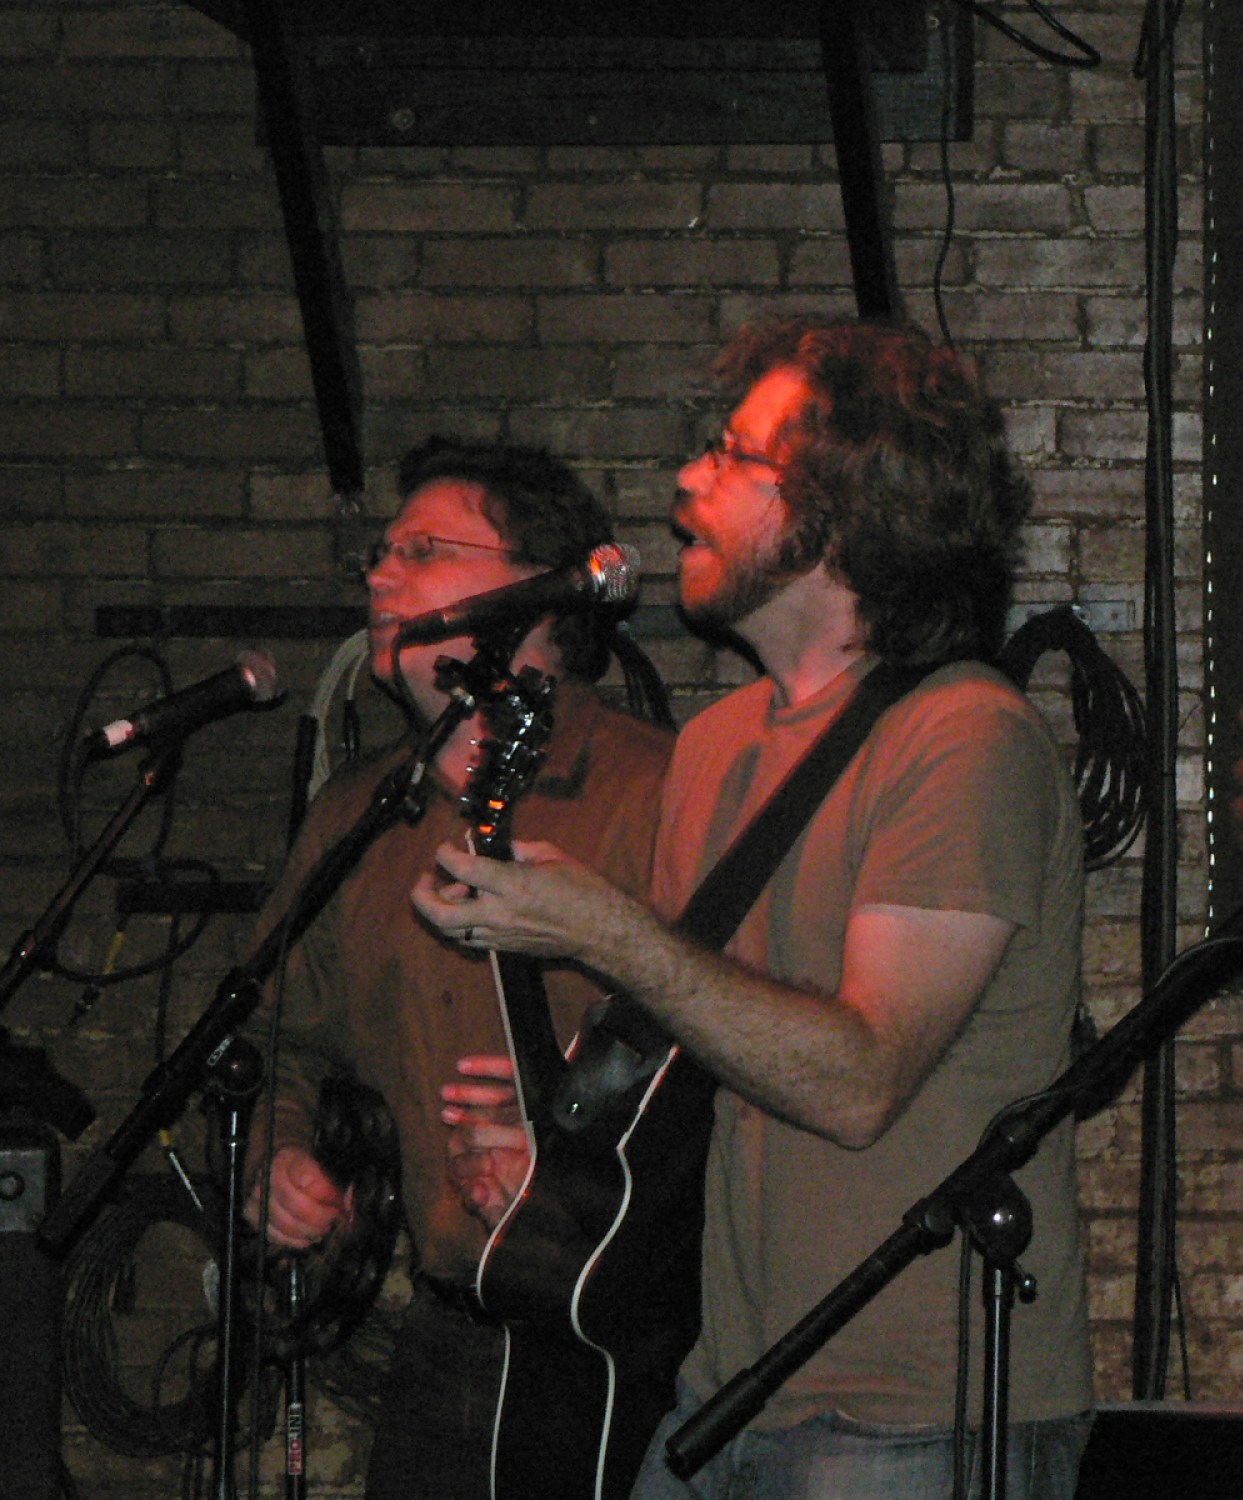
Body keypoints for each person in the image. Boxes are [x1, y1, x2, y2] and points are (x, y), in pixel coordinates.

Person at [412, 318, 1096, 1499]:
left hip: (910, 1414)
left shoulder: (964, 738)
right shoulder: (717, 744)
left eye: (732, 454)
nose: (687, 479)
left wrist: (603, 928)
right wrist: (563, 1156)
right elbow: (714, 1050)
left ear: (845, 509)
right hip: (720, 1389)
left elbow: (857, 1079)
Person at [244, 436, 675, 1498]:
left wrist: (574, 1153)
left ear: (540, 593)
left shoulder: (660, 791)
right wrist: (277, 1155)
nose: (381, 576)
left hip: (628, 1342)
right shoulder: (357, 811)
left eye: (424, 551)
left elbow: (732, 1058)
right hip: (448, 1340)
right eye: (379, 554)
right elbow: (272, 1037)